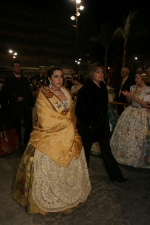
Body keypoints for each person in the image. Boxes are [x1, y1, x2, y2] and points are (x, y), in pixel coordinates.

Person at [12, 67, 91, 215]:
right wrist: (66, 124)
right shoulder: (43, 95)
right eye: (56, 76)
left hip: (69, 137)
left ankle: (68, 196)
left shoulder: (67, 92)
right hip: (49, 139)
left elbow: (71, 114)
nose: (59, 79)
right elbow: (45, 118)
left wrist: (72, 126)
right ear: (49, 78)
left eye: (61, 76)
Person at [75, 62, 127, 183]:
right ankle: (80, 180)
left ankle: (116, 177)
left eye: (102, 72)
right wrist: (89, 124)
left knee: (107, 152)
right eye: (97, 72)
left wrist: (106, 124)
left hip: (102, 126)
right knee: (85, 154)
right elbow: (79, 110)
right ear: (91, 74)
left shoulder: (103, 86)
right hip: (89, 127)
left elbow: (103, 108)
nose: (101, 74)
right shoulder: (85, 89)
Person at [110, 72, 150, 168]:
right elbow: (130, 102)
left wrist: (133, 96)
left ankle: (136, 158)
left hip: (141, 114)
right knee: (125, 133)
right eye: (135, 78)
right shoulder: (133, 87)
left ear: (143, 79)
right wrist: (128, 96)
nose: (135, 80)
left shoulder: (148, 90)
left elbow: (144, 104)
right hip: (130, 111)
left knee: (138, 136)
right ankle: (124, 155)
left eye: (137, 78)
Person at [3, 61, 34, 145]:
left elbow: (29, 93)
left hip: (26, 105)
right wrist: (15, 98)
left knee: (29, 123)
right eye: (16, 66)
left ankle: (26, 140)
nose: (18, 68)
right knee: (17, 125)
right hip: (15, 106)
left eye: (19, 66)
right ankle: (19, 141)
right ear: (12, 68)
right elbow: (5, 93)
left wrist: (31, 104)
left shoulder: (24, 79)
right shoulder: (8, 79)